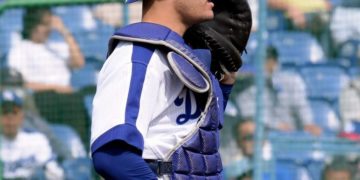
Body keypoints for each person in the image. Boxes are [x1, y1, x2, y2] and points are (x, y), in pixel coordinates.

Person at [91, 0, 252, 179]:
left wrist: (224, 83)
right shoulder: (137, 57)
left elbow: (197, 147)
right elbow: (113, 156)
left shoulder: (186, 58)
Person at [236, 46, 322, 135]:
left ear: (275, 61)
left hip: (291, 135)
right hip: (262, 136)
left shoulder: (292, 81)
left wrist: (307, 123)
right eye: (260, 60)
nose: (266, 64)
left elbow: (302, 107)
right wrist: (276, 125)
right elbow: (249, 114)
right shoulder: (246, 85)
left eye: (269, 59)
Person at [8, 7, 84, 93]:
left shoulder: (57, 46)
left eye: (50, 24)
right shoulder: (19, 50)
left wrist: (64, 31)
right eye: (45, 24)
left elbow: (79, 63)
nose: (49, 29)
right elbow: (21, 84)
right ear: (32, 25)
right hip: (39, 99)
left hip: (67, 98)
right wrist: (56, 88)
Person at [0, 90, 64, 179]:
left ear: (21, 116)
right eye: (5, 113)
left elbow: (55, 174)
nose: (10, 118)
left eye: (14, 113)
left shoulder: (37, 140)